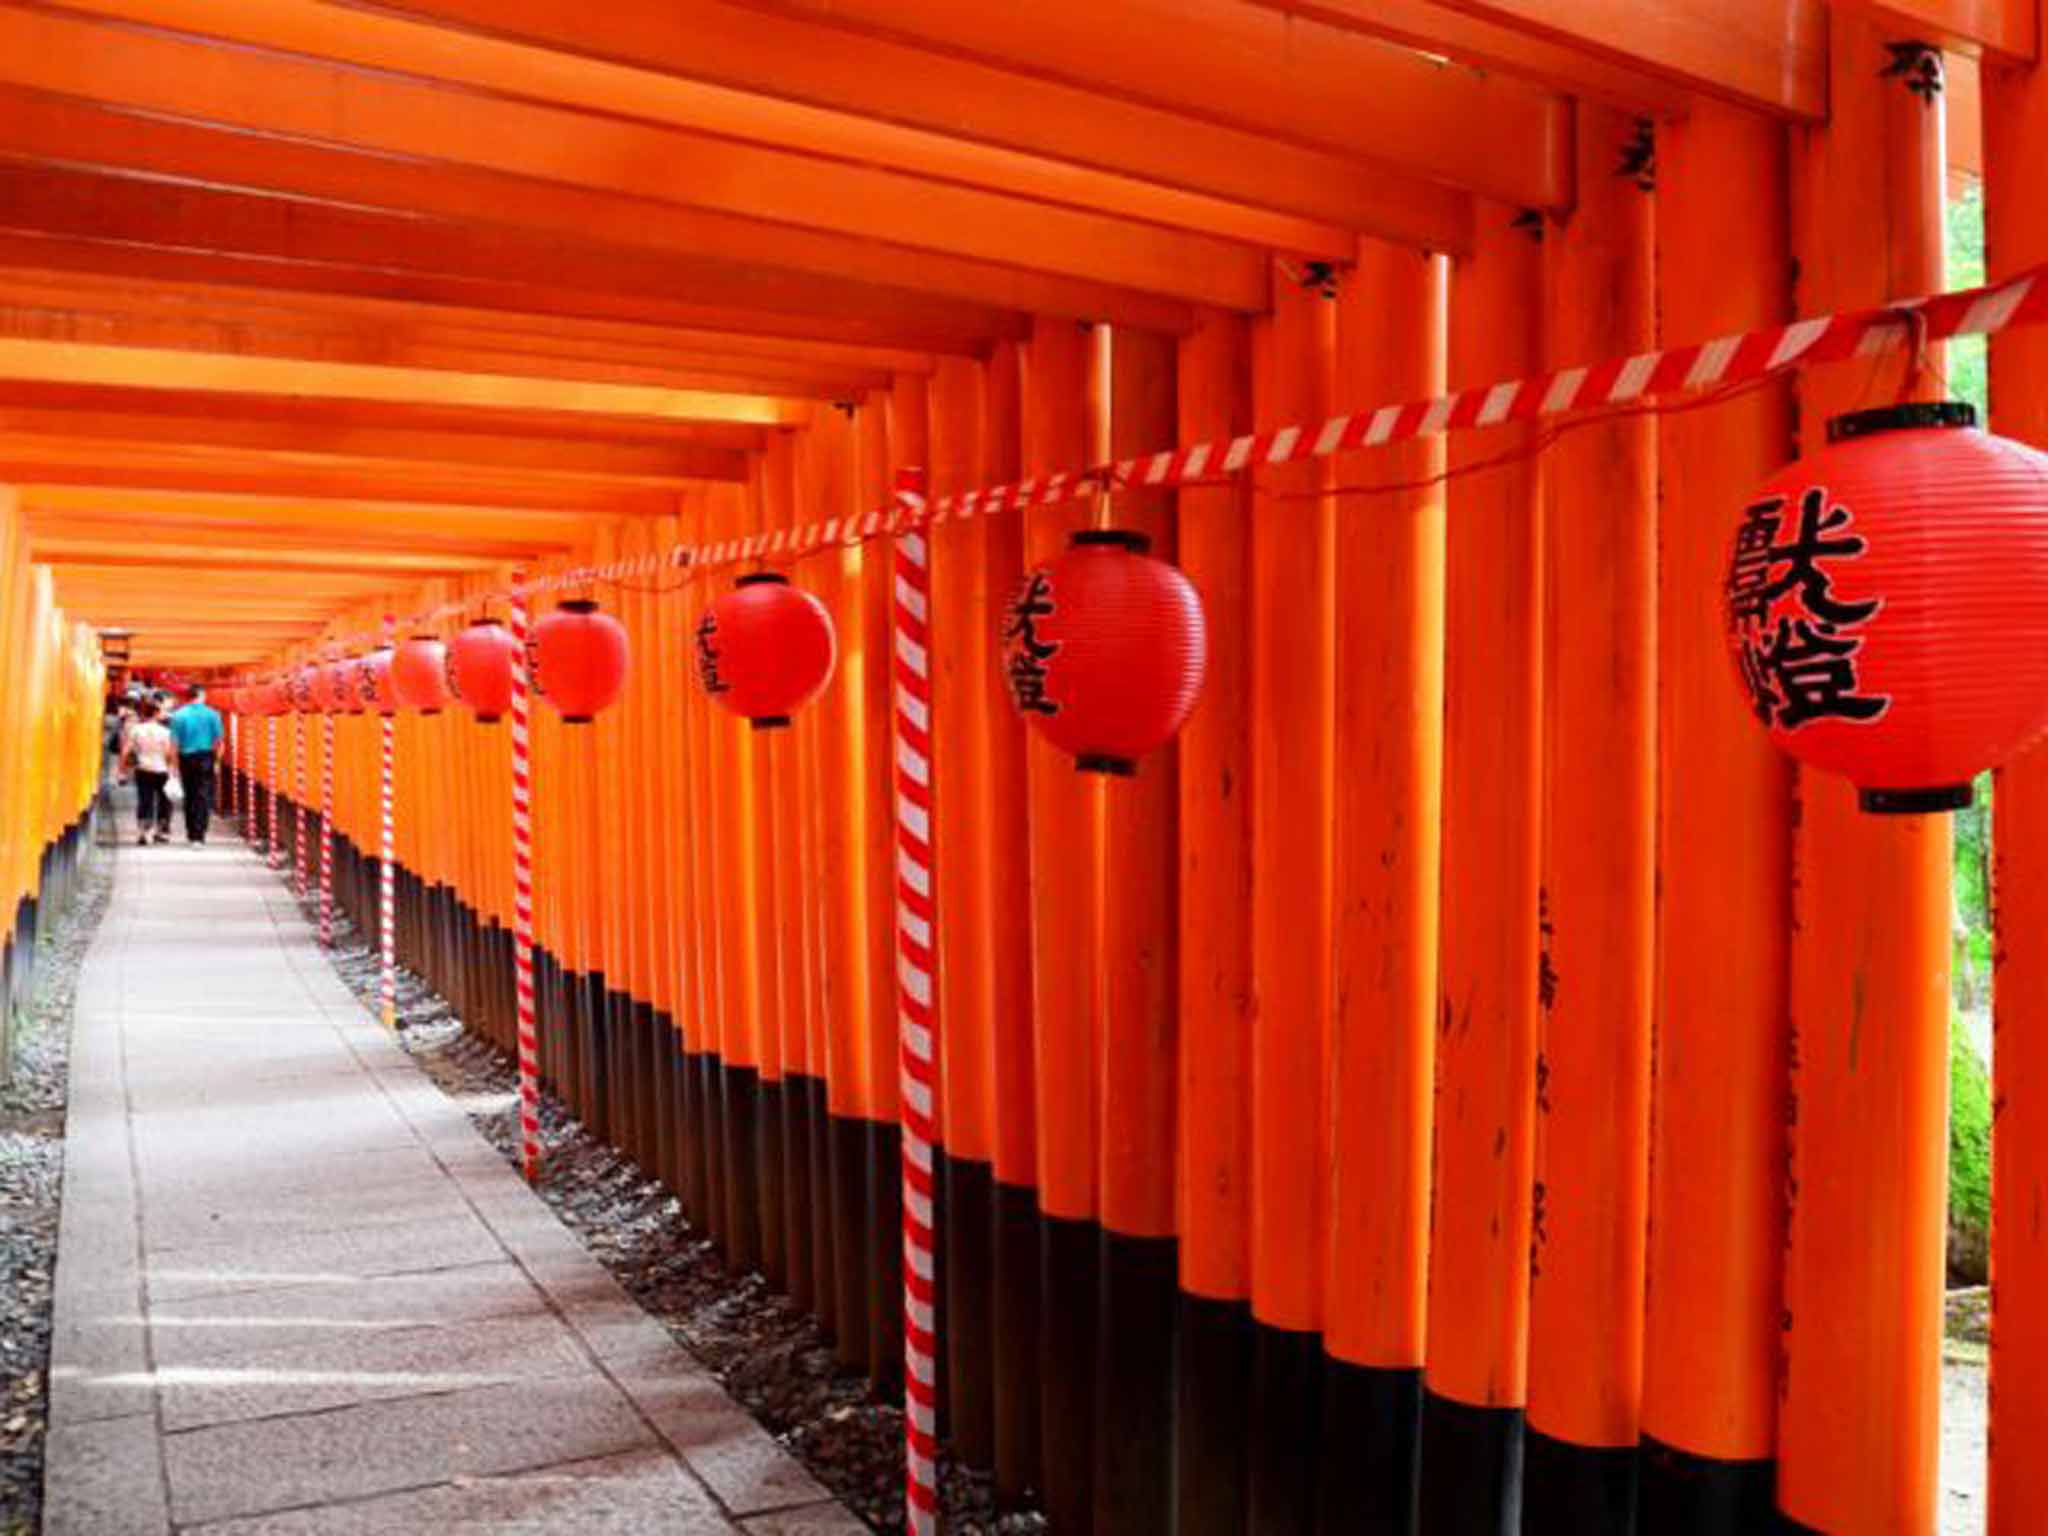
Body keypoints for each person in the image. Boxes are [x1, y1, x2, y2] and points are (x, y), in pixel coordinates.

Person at [166, 685, 225, 845]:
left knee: (190, 794)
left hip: (186, 757)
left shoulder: (178, 716)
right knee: (203, 795)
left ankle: (191, 832)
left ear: (187, 697)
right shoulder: (213, 715)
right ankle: (200, 833)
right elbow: (219, 741)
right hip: (206, 757)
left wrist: (173, 766)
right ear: (201, 695)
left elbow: (173, 743)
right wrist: (217, 761)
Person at [119, 699, 175, 845]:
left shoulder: (136, 730)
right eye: (161, 711)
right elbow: (169, 754)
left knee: (145, 800)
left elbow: (126, 751)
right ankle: (161, 832)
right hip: (161, 769)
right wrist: (173, 771)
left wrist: (122, 770)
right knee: (164, 801)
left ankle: (144, 831)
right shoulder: (165, 732)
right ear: (156, 713)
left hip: (143, 769)